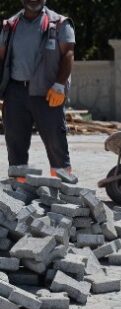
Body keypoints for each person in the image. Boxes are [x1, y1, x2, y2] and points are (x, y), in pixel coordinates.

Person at [0, 0, 77, 184]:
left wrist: (60, 85)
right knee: (15, 140)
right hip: (15, 91)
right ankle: (19, 189)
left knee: (55, 140)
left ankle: (63, 186)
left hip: (48, 92)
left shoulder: (59, 23)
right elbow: (1, 57)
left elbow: (68, 53)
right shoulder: (10, 25)